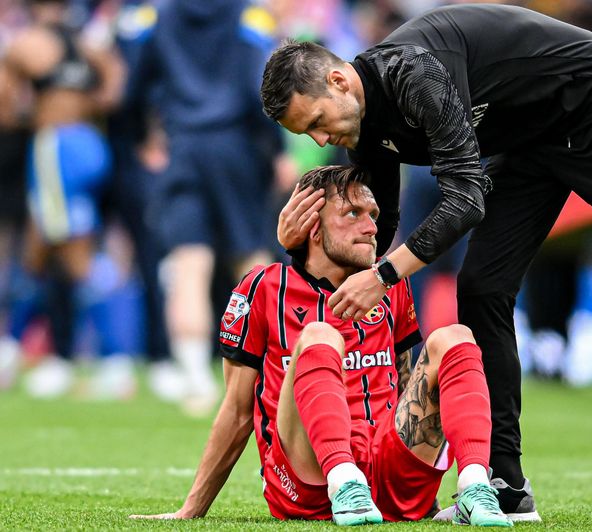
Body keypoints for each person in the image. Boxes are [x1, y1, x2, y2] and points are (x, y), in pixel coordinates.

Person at [262, 4, 592, 524]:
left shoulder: (414, 73)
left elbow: (464, 201)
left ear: (339, 81)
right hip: (533, 139)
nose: (322, 141)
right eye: (307, 135)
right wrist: (298, 248)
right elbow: (377, 236)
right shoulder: (364, 125)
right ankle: (506, 484)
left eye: (318, 122)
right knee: (483, 286)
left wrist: (388, 275)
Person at [130, 165, 511, 526]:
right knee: (320, 334)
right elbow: (237, 411)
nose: (370, 228)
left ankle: (475, 487)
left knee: (454, 336)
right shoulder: (261, 288)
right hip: (307, 483)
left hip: (385, 475)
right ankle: (343, 479)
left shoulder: (388, 284)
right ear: (312, 226)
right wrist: (191, 509)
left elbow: (405, 383)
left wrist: (424, 492)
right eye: (352, 214)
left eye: (373, 215)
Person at [122, 0, 285, 415]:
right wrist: (277, 147)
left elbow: (134, 88)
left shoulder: (157, 17)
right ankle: (278, 369)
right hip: (237, 149)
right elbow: (258, 85)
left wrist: (143, 137)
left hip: (183, 147)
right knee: (250, 261)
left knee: (188, 262)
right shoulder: (247, 15)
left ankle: (195, 379)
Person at [0, 0, 124, 397]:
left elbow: (4, 104)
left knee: (75, 255)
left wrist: (27, 115)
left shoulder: (26, 43)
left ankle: (113, 360)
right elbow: (115, 82)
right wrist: (93, 101)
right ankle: (18, 350)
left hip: (55, 147)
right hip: (92, 143)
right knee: (37, 249)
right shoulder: (86, 40)